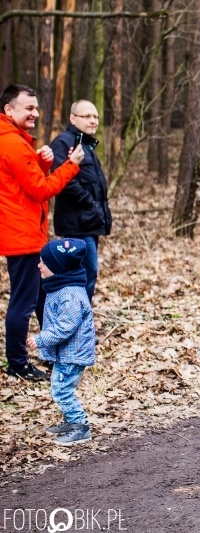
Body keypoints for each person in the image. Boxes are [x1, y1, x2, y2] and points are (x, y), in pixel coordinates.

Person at [0, 84, 84, 381]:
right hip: (21, 236)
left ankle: (51, 352)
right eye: (28, 108)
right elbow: (40, 190)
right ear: (9, 110)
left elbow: (21, 184)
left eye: (36, 108)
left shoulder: (15, 141)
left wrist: (41, 162)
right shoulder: (11, 142)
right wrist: (70, 166)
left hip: (27, 232)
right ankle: (17, 364)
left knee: (40, 298)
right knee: (24, 302)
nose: (35, 113)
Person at [26, 238, 95, 446]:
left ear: (59, 268)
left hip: (73, 354)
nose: (39, 265)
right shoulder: (63, 287)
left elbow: (65, 326)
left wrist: (41, 339)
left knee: (61, 389)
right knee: (61, 387)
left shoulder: (70, 294)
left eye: (44, 263)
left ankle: (79, 426)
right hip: (67, 352)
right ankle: (70, 421)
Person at [50, 100, 112, 303]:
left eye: (95, 117)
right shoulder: (64, 143)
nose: (93, 121)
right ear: (72, 118)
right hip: (76, 223)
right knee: (84, 274)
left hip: (90, 221)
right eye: (87, 116)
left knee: (87, 274)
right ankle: (75, 324)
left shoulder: (86, 144)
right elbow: (64, 181)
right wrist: (89, 203)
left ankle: (79, 324)